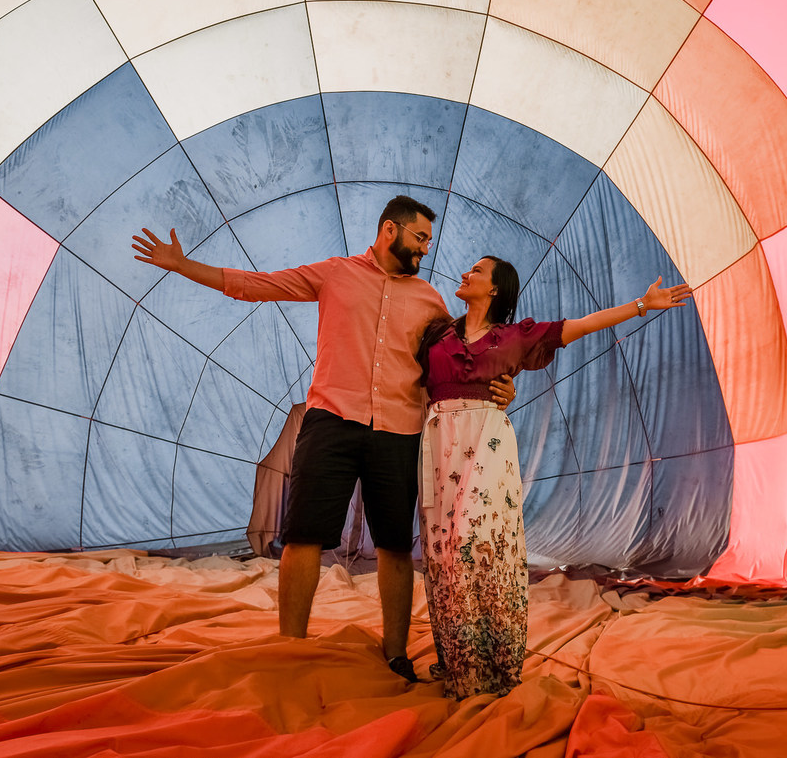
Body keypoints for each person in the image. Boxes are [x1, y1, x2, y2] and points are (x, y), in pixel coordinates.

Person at [131, 197, 516, 683]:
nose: (425, 249)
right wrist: (182, 265)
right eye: (419, 238)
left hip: (399, 431)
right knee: (303, 536)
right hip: (330, 420)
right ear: (389, 230)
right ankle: (289, 647)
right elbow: (257, 286)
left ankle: (395, 654)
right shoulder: (335, 273)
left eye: (427, 242)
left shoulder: (431, 301)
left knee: (396, 546)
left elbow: (469, 356)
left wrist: (501, 386)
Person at [415, 255, 692, 698]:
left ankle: (493, 664)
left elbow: (580, 326)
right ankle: (460, 660)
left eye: (477, 271)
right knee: (443, 550)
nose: (465, 274)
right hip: (438, 448)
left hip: (486, 444)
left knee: (476, 543)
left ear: (495, 289)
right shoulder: (436, 333)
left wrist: (641, 304)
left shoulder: (515, 336)